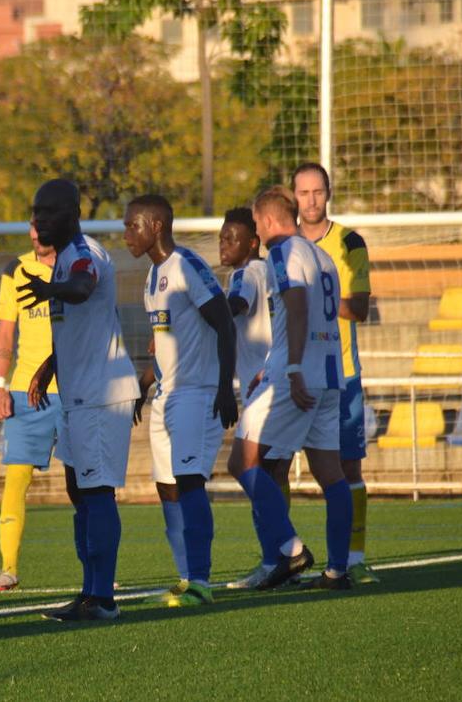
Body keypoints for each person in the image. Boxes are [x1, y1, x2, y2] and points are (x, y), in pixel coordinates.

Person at [21, 178, 141, 622]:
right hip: (78, 393)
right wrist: (52, 364)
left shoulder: (83, 253)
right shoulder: (61, 259)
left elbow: (83, 287)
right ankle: (90, 589)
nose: (39, 221)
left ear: (72, 215)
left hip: (100, 394)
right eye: (36, 214)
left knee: (97, 490)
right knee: (78, 490)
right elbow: (84, 323)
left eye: (48, 213)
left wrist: (51, 291)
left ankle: (103, 598)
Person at [228, 187, 354, 591]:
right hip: (330, 374)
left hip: (296, 374)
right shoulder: (323, 256)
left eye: (257, 223)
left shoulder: (282, 252)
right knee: (331, 475)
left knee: (243, 462)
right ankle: (338, 571)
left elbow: (296, 307)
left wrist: (293, 367)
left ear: (265, 221)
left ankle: (288, 551)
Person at [124, 195, 237, 608]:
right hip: (166, 394)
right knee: (167, 488)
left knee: (190, 482)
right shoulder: (153, 278)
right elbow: (169, 341)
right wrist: (145, 381)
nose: (126, 235)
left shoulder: (187, 265)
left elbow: (224, 321)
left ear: (155, 226)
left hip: (196, 394)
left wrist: (225, 386)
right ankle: (186, 577)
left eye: (131, 226)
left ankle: (202, 581)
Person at [293, 162, 378, 584]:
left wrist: (311, 304)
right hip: (291, 375)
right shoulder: (283, 245)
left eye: (317, 192)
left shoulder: (350, 242)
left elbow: (359, 309)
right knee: (268, 465)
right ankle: (280, 558)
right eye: (303, 193)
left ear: (328, 193)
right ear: (294, 197)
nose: (311, 200)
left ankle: (353, 559)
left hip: (340, 374)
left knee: (348, 470)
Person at [0, 224, 66, 593]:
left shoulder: (79, 266)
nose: (35, 235)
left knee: (86, 484)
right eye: (32, 228)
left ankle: (98, 571)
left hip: (73, 390)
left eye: (41, 227)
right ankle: (8, 569)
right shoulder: (16, 269)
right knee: (17, 478)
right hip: (23, 391)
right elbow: (4, 331)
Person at [217, 207, 279, 590]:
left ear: (252, 243)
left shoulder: (247, 273)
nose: (224, 243)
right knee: (270, 475)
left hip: (262, 388)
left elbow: (235, 305)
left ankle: (278, 557)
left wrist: (199, 314)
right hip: (278, 381)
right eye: (222, 236)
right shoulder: (271, 271)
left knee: (243, 466)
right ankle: (278, 559)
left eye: (232, 238)